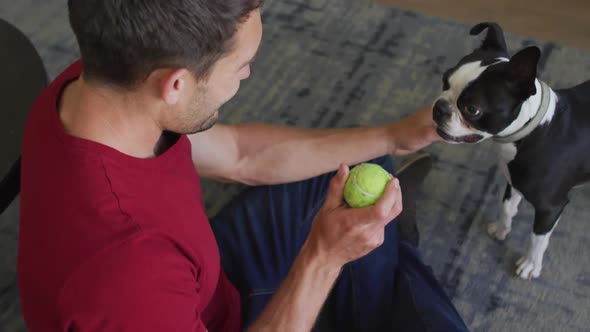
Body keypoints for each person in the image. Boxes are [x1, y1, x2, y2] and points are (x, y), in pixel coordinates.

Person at [17, 0, 468, 331]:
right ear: (174, 84)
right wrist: (322, 260)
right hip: (192, 307)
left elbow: (239, 155)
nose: (249, 75)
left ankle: (384, 251)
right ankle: (388, 253)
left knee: (368, 162)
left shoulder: (100, 81)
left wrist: (395, 136)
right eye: (241, 66)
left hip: (204, 279)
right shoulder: (129, 274)